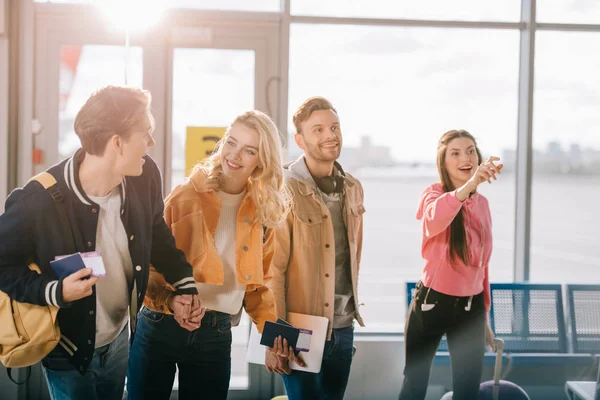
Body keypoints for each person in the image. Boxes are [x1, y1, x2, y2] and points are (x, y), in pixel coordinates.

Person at [0, 85, 198, 400]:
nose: (152, 143)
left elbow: (156, 231)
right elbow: (3, 266)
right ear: (117, 143)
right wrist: (56, 291)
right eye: (145, 134)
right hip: (68, 347)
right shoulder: (37, 200)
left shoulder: (144, 177)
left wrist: (184, 285)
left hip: (120, 337)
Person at [127, 110, 302, 400]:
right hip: (162, 324)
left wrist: (272, 337)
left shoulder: (262, 212)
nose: (234, 155)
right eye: (231, 143)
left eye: (249, 150)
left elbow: (258, 287)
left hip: (216, 331)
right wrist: (171, 301)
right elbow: (147, 266)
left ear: (262, 160)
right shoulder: (186, 196)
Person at [269, 96, 366, 400]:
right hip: (301, 327)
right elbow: (273, 270)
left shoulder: (353, 187)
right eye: (318, 129)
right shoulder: (284, 189)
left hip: (344, 323)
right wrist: (276, 338)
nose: (330, 135)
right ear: (300, 140)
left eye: (334, 127)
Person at [398, 129, 501, 400]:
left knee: (468, 390)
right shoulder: (432, 195)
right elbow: (433, 219)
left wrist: (484, 318)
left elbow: (482, 266)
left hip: (472, 309)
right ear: (443, 162)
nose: (465, 157)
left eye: (470, 150)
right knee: (414, 385)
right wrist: (466, 189)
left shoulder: (483, 204)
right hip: (432, 303)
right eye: (455, 153)